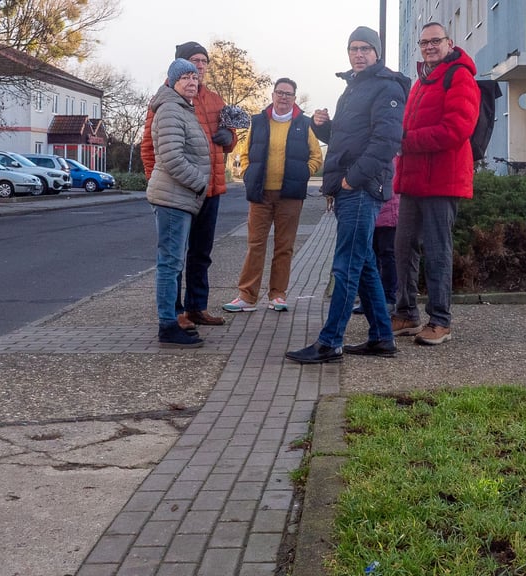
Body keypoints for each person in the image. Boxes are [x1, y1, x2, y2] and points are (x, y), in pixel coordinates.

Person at [285, 26, 410, 364]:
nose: (358, 54)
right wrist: (323, 127)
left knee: (346, 267)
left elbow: (386, 142)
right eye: (353, 48)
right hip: (349, 188)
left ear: (377, 53)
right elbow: (348, 138)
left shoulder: (386, 88)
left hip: (361, 189)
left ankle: (330, 342)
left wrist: (351, 181)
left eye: (365, 49)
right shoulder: (354, 88)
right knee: (365, 263)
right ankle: (382, 337)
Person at [391, 22, 480, 346]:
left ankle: (440, 320)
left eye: (435, 41)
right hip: (414, 179)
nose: (429, 47)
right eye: (424, 42)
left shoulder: (459, 76)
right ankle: (406, 314)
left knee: (438, 250)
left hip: (442, 181)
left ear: (449, 43)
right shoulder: (421, 82)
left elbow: (456, 129)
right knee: (403, 248)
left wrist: (406, 141)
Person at [141, 41, 237, 332]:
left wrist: (228, 138)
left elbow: (230, 141)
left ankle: (197, 306)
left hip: (211, 189)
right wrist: (156, 183)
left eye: (203, 62)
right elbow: (151, 147)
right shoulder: (167, 102)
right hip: (182, 190)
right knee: (174, 256)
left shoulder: (215, 100)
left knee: (201, 253)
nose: (199, 67)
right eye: (193, 62)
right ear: (178, 69)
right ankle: (175, 312)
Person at [222, 78, 322, 313]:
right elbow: (243, 154)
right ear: (273, 95)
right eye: (280, 93)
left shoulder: (304, 124)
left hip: (290, 196)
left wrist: (303, 173)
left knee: (284, 246)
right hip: (261, 194)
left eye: (289, 94)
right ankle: (247, 296)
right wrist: (247, 173)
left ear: (295, 98)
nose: (284, 97)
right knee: (255, 244)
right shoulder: (258, 122)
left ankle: (277, 295)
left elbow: (316, 157)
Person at [146, 59, 211, 348]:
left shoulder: (183, 107)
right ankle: (167, 325)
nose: (192, 82)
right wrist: (199, 182)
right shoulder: (172, 109)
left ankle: (171, 319)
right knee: (170, 263)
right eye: (185, 77)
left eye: (195, 78)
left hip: (181, 197)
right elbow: (172, 158)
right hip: (173, 197)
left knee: (172, 262)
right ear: (171, 81)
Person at [353, 192, 399, 315]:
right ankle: (369, 300)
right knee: (368, 259)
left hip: (388, 214)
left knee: (388, 258)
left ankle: (389, 299)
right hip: (368, 214)